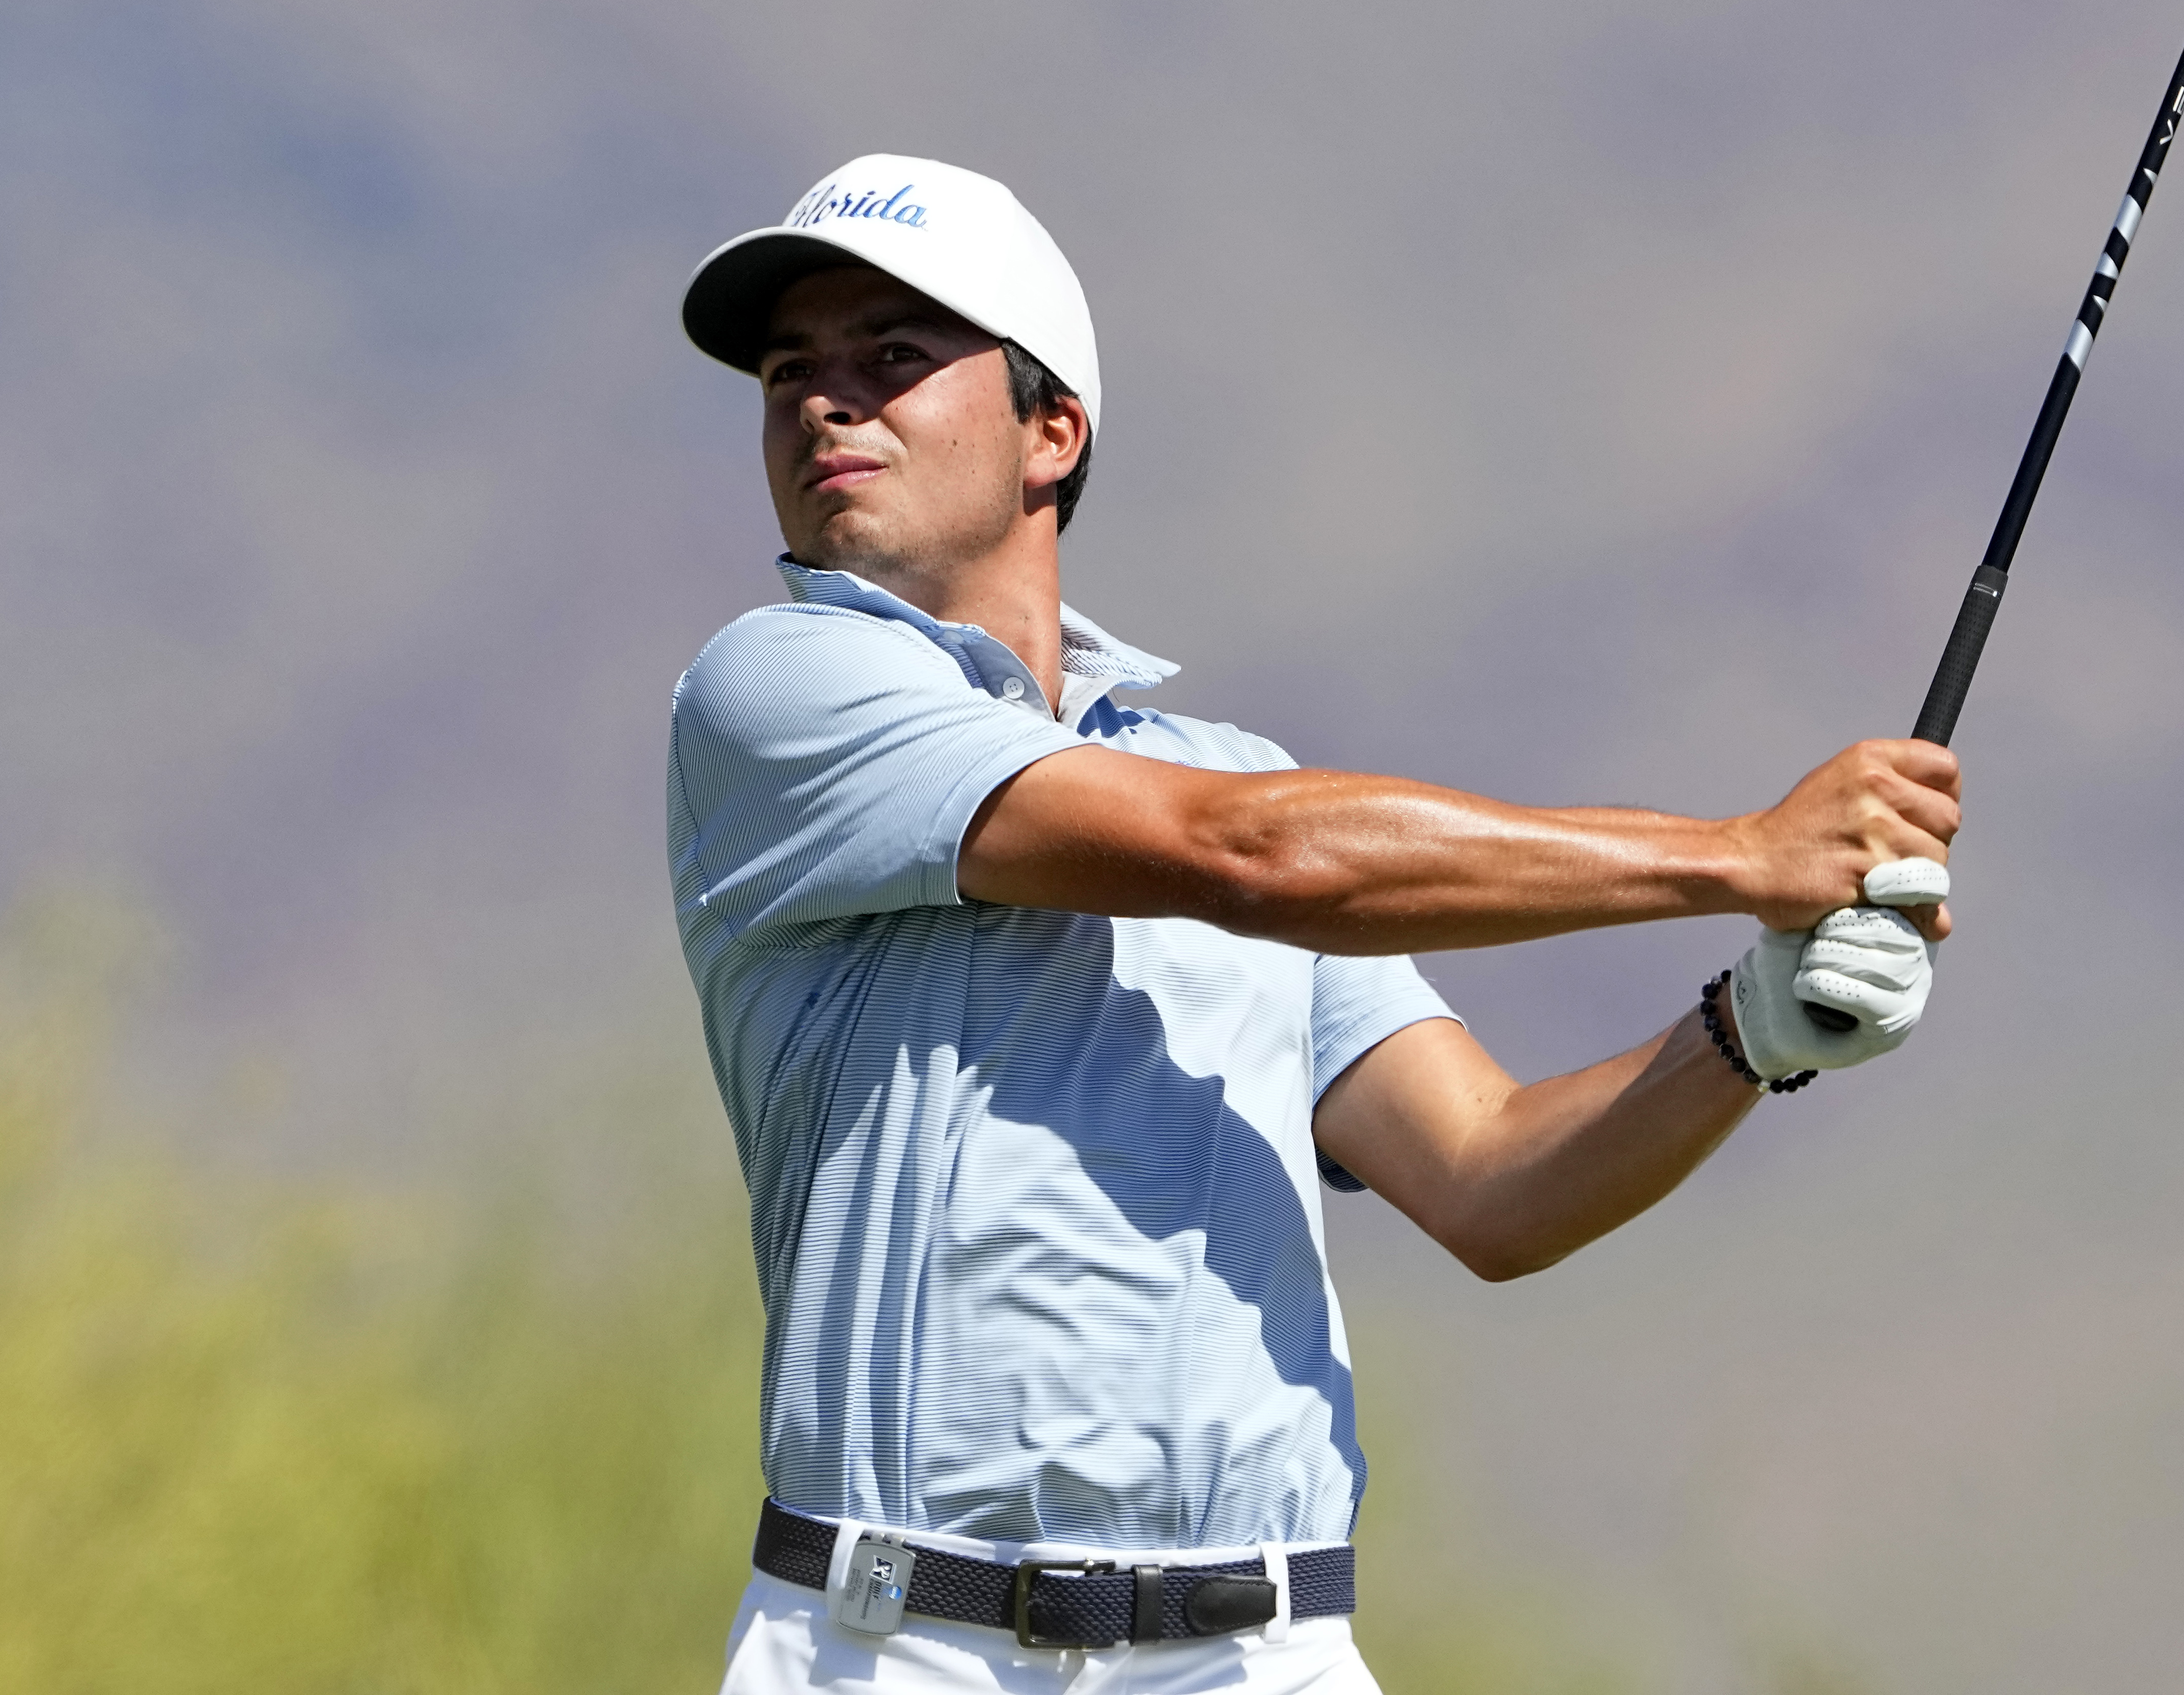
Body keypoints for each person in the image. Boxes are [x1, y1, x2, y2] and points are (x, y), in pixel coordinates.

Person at [669, 154, 1959, 1692]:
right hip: (897, 1652)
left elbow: (1492, 1183)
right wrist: (1748, 855)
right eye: (788, 374)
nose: (826, 404)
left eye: (892, 358)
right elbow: (1249, 864)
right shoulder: (779, 695)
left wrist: (1751, 1030)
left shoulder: (1233, 782)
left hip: (1259, 1656)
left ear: (1051, 431)